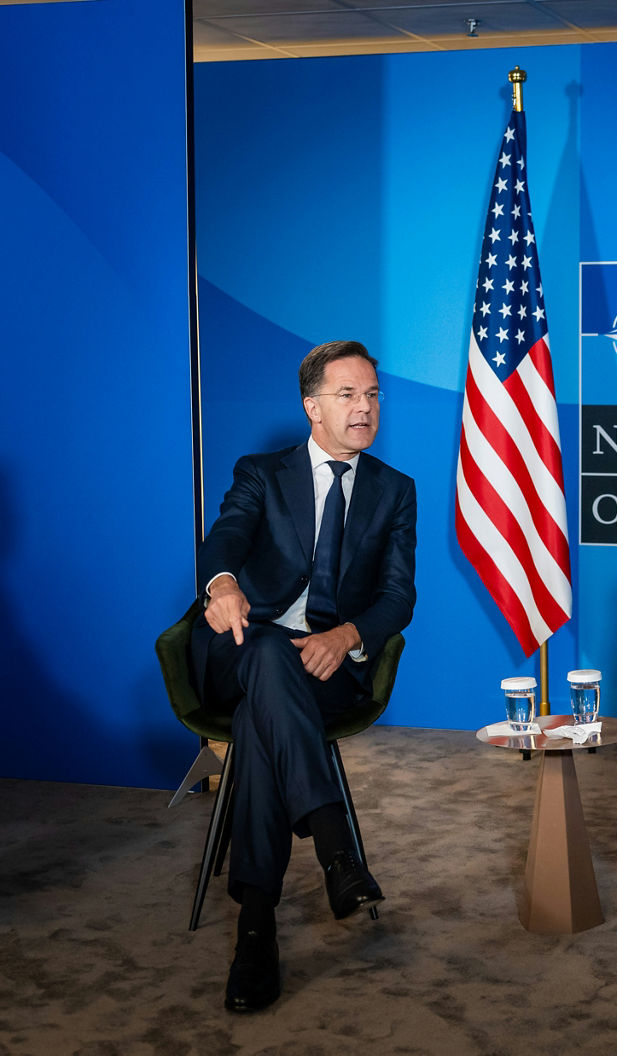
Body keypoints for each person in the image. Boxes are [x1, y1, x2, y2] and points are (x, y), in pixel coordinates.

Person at [189, 340, 417, 1013]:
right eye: (348, 394)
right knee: (264, 655)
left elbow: (398, 597)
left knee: (266, 724)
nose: (365, 407)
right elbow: (224, 537)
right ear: (311, 406)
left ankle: (255, 931)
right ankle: (336, 847)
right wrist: (224, 581)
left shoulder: (394, 489)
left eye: (373, 394)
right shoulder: (262, 472)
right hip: (245, 649)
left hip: (326, 667)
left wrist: (349, 635)